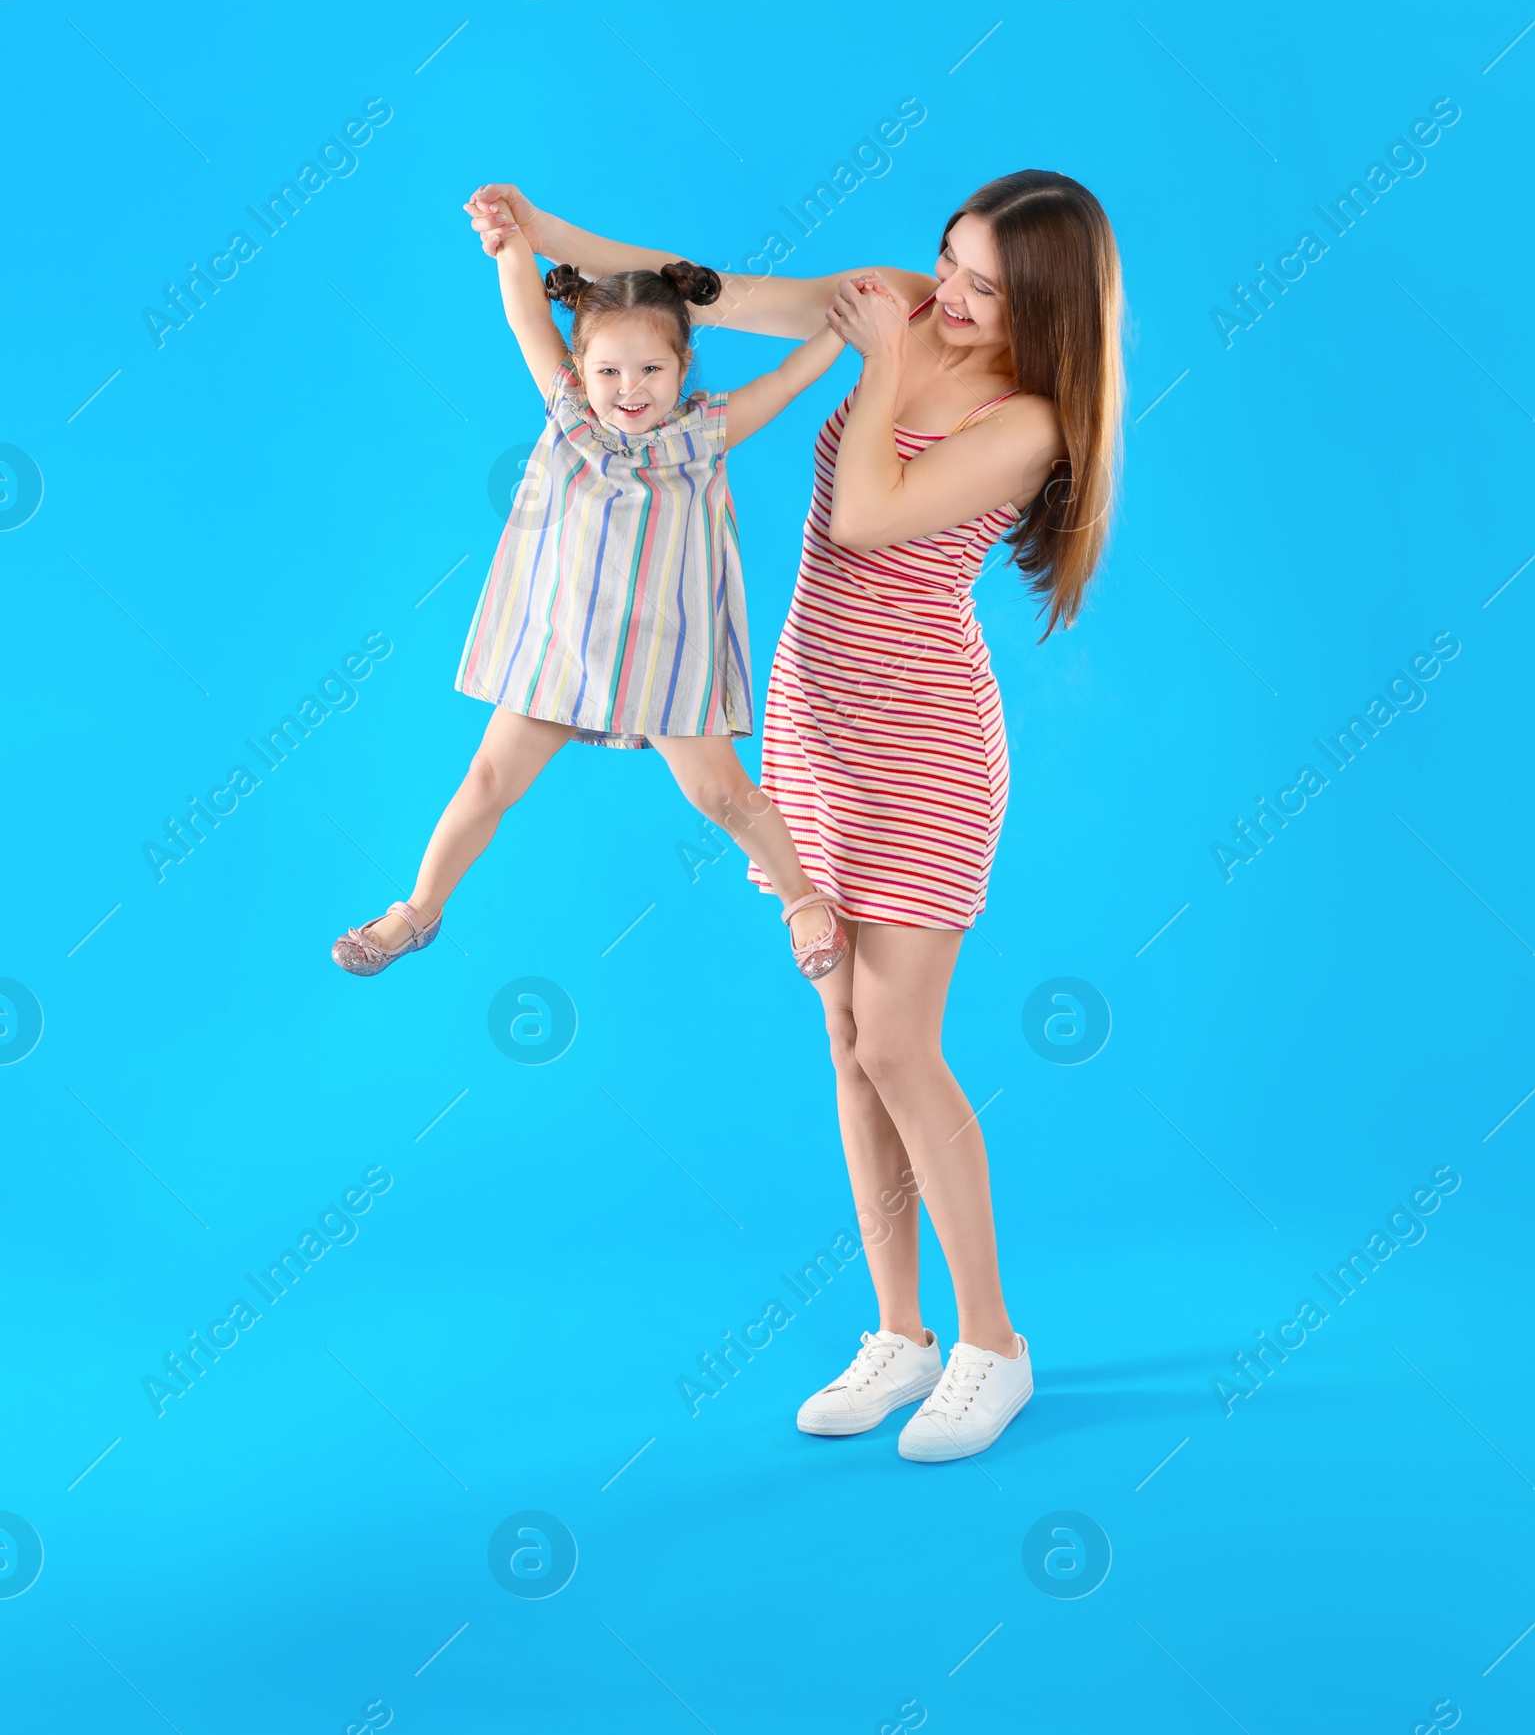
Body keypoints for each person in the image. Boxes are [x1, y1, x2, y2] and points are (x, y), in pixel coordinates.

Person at [466, 172, 1124, 1460]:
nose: (949, 291)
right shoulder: (903, 310)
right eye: (950, 256)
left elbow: (872, 515)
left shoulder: (1030, 418)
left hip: (926, 745)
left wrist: (876, 359)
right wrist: (546, 235)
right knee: (842, 1034)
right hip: (817, 721)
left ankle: (994, 1344)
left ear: (1041, 305)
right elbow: (706, 280)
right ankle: (900, 1335)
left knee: (898, 1043)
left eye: (985, 284)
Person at [330, 191, 848, 981]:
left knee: (722, 795)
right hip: (563, 647)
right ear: (581, 369)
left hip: (669, 658)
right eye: (608, 369)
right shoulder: (570, 413)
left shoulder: (702, 433)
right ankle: (417, 910)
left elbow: (781, 382)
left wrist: (841, 332)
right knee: (488, 780)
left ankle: (802, 899)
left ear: (683, 369)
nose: (628, 388)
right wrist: (509, 242)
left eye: (651, 369)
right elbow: (526, 321)